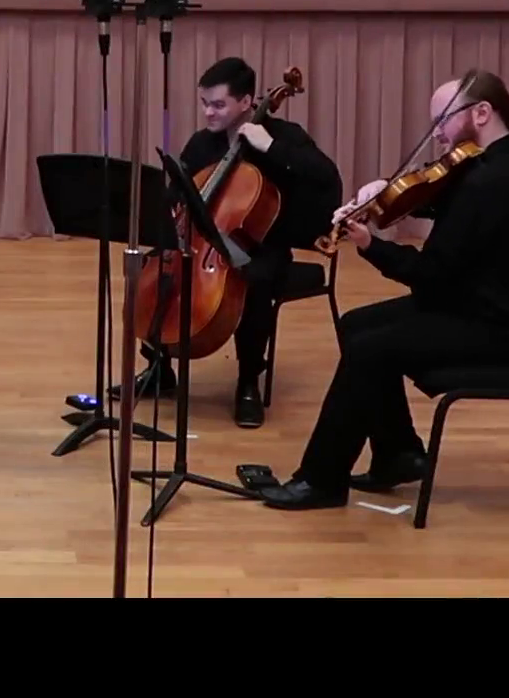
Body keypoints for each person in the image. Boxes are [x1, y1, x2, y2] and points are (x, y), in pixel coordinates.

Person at [249, 68, 509, 510]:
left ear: (481, 112)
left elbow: (431, 274)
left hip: (503, 326)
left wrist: (371, 246)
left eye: (442, 121)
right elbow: (449, 201)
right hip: (482, 303)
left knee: (370, 350)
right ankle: (397, 454)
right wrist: (387, 193)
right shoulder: (499, 160)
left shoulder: (495, 181)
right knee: (359, 325)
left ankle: (320, 479)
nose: (436, 135)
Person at [124, 56, 344, 428]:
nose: (209, 112)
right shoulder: (202, 144)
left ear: (247, 101)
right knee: (148, 267)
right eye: (205, 104)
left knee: (251, 281)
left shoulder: (285, 136)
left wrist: (270, 147)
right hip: (202, 244)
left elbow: (327, 178)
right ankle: (160, 367)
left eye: (218, 104)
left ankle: (247, 382)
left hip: (264, 246)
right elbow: (176, 193)